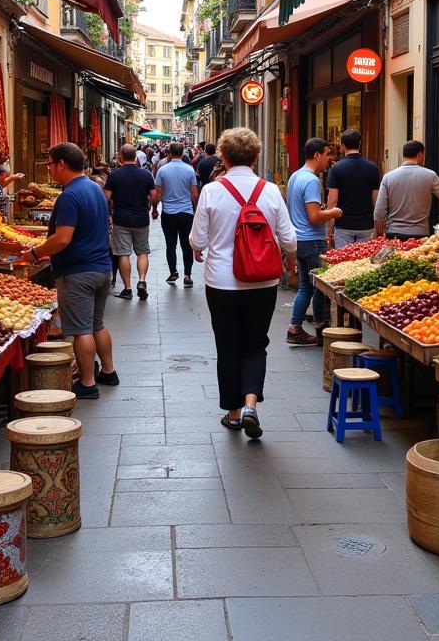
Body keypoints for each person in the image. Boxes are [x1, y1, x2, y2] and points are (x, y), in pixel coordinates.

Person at [190, 127, 297, 439]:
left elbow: (197, 238)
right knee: (256, 343)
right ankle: (252, 405)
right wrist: (289, 258)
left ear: (222, 157)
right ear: (255, 156)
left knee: (227, 346)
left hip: (221, 282)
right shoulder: (270, 190)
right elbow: (288, 238)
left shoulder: (211, 190)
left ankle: (233, 413)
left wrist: (199, 249)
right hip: (262, 282)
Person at [28, 143, 118, 400]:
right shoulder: (95, 188)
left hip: (78, 271)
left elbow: (63, 238)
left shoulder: (69, 196)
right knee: (97, 324)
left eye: (50, 164)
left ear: (61, 165)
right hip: (101, 268)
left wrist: (36, 252)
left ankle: (88, 383)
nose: (49, 169)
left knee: (81, 330)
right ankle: (108, 371)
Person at [286, 138, 343, 346]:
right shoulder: (311, 180)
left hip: (298, 240)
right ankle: (320, 327)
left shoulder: (295, 176)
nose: (330, 159)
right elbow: (314, 215)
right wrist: (333, 213)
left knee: (305, 287)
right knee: (318, 287)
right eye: (328, 154)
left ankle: (295, 327)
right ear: (318, 155)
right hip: (311, 241)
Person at [374, 140, 439, 240]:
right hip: (419, 234)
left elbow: (379, 212)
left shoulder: (388, 177)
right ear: (420, 155)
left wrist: (380, 234)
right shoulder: (430, 175)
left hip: (393, 234)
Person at [105, 144, 157, 300]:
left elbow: (106, 197)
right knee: (142, 251)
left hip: (121, 219)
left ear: (121, 156)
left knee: (123, 253)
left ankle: (127, 288)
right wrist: (152, 209)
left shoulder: (114, 175)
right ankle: (141, 281)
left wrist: (112, 207)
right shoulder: (146, 174)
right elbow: (154, 196)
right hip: (141, 218)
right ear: (135, 156)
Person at [154, 141, 199, 285]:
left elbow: (157, 194)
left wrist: (154, 209)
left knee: (171, 245)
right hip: (186, 212)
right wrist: (196, 210)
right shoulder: (189, 170)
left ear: (169, 153)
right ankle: (187, 275)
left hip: (169, 213)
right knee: (187, 245)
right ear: (183, 153)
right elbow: (194, 194)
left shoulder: (162, 170)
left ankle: (173, 272)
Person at [326, 129, 381, 248]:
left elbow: (332, 201)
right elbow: (376, 201)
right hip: (366, 225)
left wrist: (329, 228)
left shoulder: (336, 169)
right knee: (363, 263)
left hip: (343, 225)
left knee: (343, 263)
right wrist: (378, 227)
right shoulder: (373, 168)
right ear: (360, 144)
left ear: (342, 145)